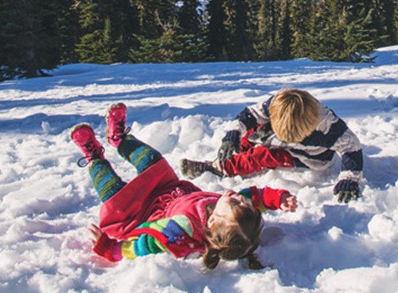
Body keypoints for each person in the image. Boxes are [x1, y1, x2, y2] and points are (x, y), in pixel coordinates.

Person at [70, 103, 297, 269]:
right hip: (166, 189)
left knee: (112, 191)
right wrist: (277, 198)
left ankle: (94, 156)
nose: (238, 196)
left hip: (136, 213)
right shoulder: (229, 212)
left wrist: (111, 250)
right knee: (151, 159)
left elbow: (147, 244)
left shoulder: (182, 229)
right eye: (242, 201)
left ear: (212, 221)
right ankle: (119, 139)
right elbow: (253, 197)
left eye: (235, 203)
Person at [180, 89, 363, 204]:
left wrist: (349, 178)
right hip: (276, 135)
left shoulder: (328, 127)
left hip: (308, 156)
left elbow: (352, 147)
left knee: (263, 155)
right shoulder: (278, 103)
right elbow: (249, 114)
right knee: (249, 133)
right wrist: (232, 135)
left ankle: (217, 168)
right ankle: (241, 150)